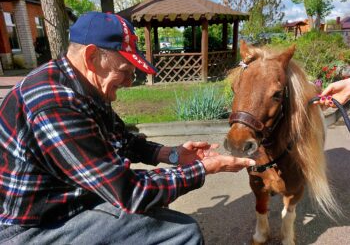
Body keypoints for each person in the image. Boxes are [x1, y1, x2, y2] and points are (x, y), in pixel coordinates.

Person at [0, 12, 255, 244]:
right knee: (181, 232)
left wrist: (173, 154)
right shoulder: (53, 104)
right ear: (91, 56)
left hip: (64, 200)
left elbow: (122, 139)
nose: (129, 81)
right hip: (32, 227)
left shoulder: (80, 84)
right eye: (125, 70)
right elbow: (130, 192)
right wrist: (202, 168)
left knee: (153, 217)